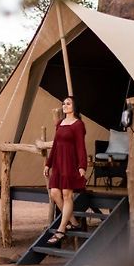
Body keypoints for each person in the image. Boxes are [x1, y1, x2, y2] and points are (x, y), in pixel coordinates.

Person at [43, 96, 87, 245]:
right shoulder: (60, 123)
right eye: (63, 104)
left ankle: (61, 230)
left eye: (68, 103)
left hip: (70, 162)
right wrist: (48, 164)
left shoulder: (78, 124)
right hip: (58, 163)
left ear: (74, 106)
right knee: (55, 193)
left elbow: (81, 146)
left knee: (67, 194)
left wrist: (82, 166)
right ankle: (73, 221)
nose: (65, 106)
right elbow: (55, 145)